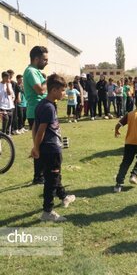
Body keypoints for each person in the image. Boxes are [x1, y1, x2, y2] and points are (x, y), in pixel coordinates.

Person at [31, 74, 76, 222]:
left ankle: (64, 196)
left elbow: (34, 128)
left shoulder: (43, 104)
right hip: (51, 149)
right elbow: (40, 130)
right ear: (54, 90)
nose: (64, 93)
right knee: (51, 180)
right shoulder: (48, 107)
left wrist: (36, 146)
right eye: (62, 90)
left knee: (54, 176)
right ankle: (47, 212)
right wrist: (36, 147)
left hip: (48, 148)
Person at [23, 46, 48, 184]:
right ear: (36, 59)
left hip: (41, 111)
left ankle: (42, 174)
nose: (46, 62)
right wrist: (46, 80)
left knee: (44, 143)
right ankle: (38, 176)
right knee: (39, 143)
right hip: (36, 112)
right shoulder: (31, 71)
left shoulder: (36, 71)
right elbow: (39, 90)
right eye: (45, 59)